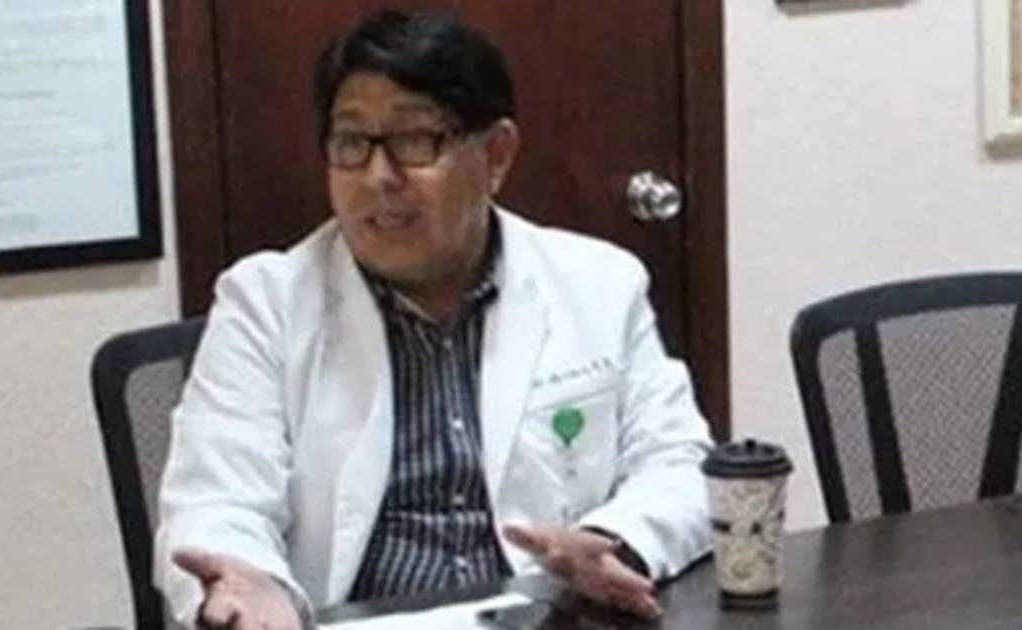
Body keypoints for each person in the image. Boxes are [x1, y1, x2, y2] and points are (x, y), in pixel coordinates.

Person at [155, 10, 712, 630]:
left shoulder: (598, 284)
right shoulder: (265, 303)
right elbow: (214, 501)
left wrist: (616, 539)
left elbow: (682, 464)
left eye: (415, 141)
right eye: (351, 143)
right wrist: (252, 583)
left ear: (496, 155)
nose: (378, 177)